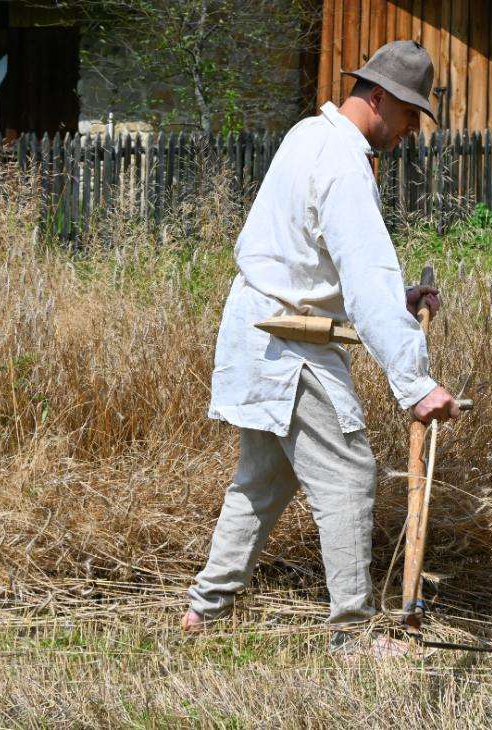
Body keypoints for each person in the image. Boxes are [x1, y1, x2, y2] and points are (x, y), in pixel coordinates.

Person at [182, 40, 461, 660]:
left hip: (262, 329)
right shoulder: (343, 163)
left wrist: (400, 298)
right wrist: (416, 385)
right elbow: (364, 278)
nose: (411, 130)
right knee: (349, 476)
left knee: (262, 480)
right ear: (378, 98)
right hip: (290, 343)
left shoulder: (309, 135)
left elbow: (312, 260)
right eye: (409, 114)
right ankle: (352, 634)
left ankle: (203, 610)